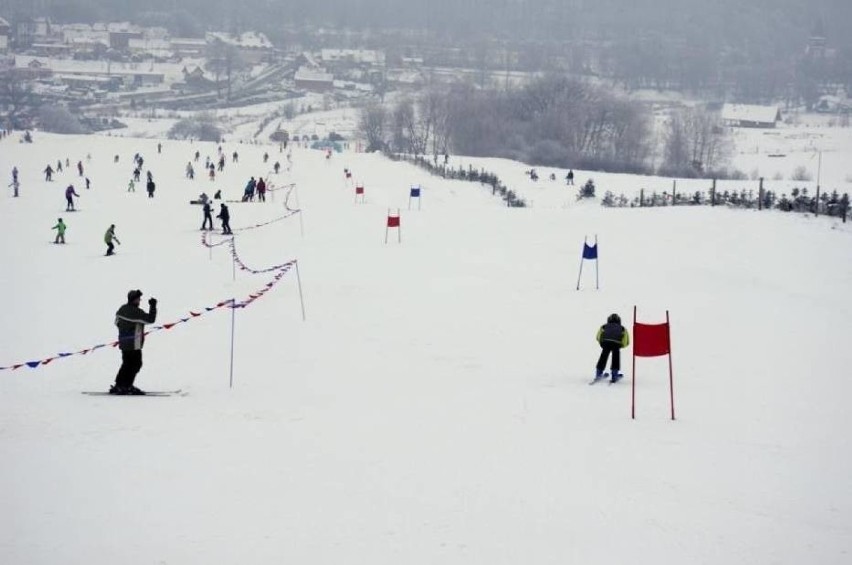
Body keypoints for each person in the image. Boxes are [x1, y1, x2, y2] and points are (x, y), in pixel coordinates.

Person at [111, 289, 157, 395]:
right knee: (136, 364)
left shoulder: (122, 309)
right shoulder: (135, 312)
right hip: (133, 344)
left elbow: (116, 322)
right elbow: (150, 319)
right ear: (133, 299)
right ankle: (127, 386)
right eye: (138, 299)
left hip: (123, 342)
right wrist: (153, 306)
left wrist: (125, 331)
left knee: (126, 364)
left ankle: (119, 385)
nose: (139, 301)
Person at [594, 314, 630, 383]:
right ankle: (614, 374)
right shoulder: (622, 328)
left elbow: (598, 337)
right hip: (616, 344)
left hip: (606, 342)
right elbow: (626, 341)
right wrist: (621, 345)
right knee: (616, 357)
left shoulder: (604, 326)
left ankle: (598, 373)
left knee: (603, 356)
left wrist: (602, 343)